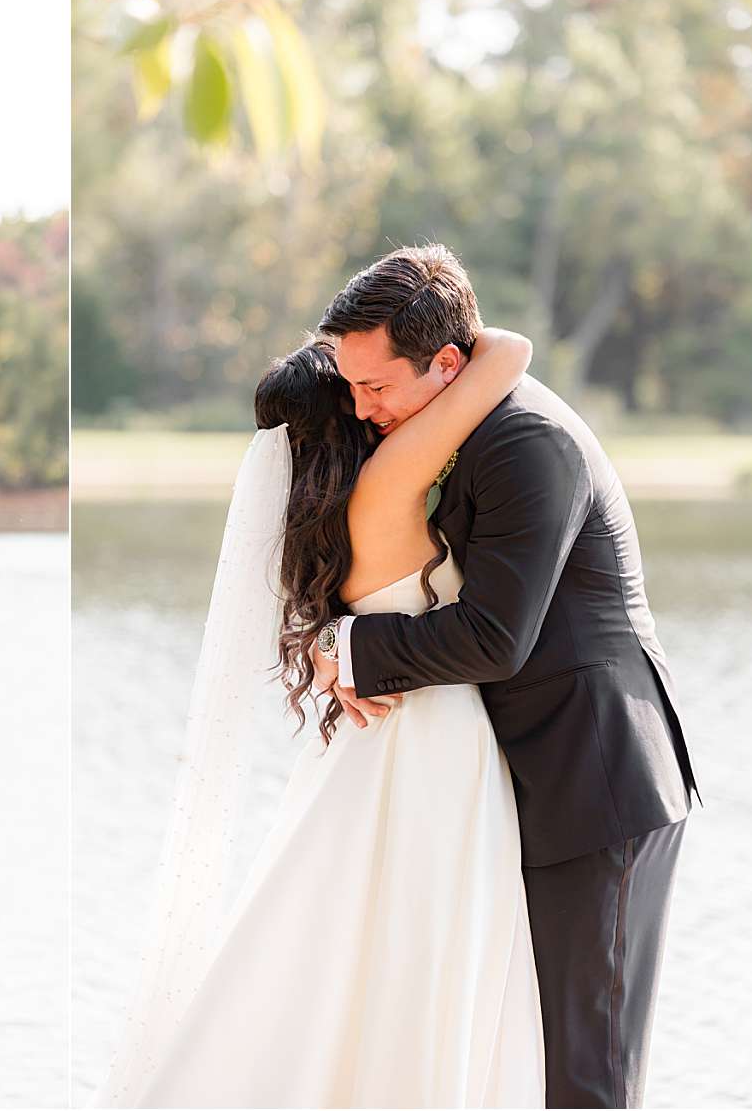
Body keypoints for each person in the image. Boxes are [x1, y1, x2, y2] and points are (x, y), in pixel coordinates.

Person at [92, 320, 546, 1107]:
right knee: (427, 957)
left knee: (341, 939)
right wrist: (441, 315)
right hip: (437, 737)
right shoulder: (388, 481)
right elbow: (510, 353)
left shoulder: (322, 522)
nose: (374, 406)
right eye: (358, 393)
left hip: (371, 737)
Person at [316, 244, 698, 1108]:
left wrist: (350, 648)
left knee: (586, 1078)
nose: (361, 406)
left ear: (448, 364)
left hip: (599, 787)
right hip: (534, 786)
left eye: (376, 387)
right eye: (350, 385)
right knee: (526, 1060)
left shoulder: (529, 443)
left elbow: (497, 638)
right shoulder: (455, 423)